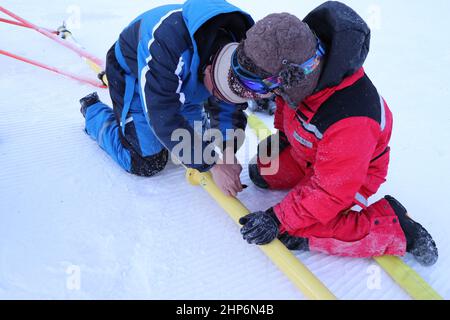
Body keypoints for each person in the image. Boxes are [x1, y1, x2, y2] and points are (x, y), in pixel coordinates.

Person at [231, 2, 438, 265]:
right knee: (263, 172)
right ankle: (295, 183)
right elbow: (286, 102)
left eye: (255, 84)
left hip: (348, 176)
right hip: (306, 152)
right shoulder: (301, 77)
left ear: (290, 78)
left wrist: (276, 219)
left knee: (291, 231)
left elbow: (330, 190)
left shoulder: (352, 117)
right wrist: (284, 137)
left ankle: (393, 226)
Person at [79, 0, 262, 196]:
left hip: (181, 80)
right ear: (210, 70)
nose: (218, 99)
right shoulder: (166, 43)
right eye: (217, 93)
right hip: (132, 73)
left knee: (200, 143)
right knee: (147, 161)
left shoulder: (242, 53)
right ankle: (93, 111)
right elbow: (162, 115)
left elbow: (229, 106)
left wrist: (227, 151)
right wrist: (214, 166)